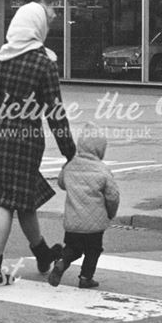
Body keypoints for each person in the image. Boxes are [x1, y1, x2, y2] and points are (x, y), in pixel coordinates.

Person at [0, 1, 76, 287]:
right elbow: (56, 113)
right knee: (7, 203)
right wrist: (70, 152)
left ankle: (42, 254)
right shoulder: (42, 64)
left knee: (22, 199)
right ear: (37, 28)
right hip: (23, 144)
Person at [47, 124, 120, 289]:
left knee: (73, 248)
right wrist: (110, 213)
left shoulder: (71, 166)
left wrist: (65, 168)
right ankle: (86, 277)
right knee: (93, 251)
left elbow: (61, 183)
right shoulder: (103, 170)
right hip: (94, 226)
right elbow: (112, 196)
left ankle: (62, 262)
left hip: (73, 223)